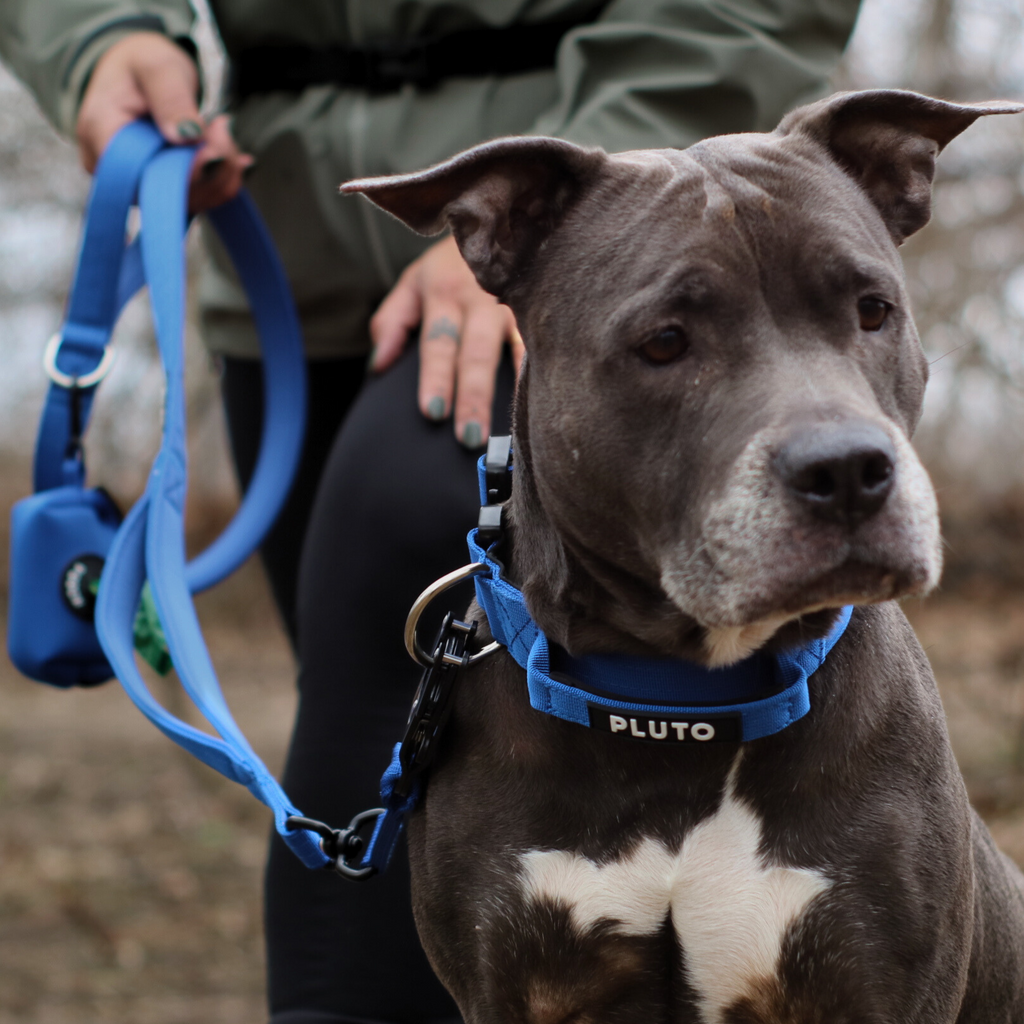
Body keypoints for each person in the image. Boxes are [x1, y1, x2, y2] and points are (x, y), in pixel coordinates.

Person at [0, 1, 862, 1021]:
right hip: (287, 257)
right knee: (397, 752)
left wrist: (554, 235)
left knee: (400, 561)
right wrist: (105, 37)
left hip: (611, 251)